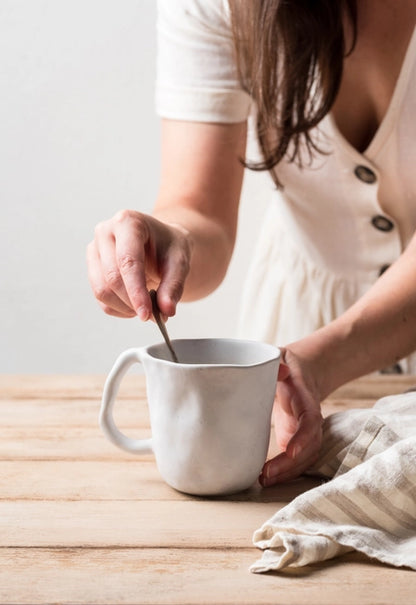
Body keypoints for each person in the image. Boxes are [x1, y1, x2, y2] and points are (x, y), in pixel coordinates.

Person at [87, 0, 416, 487]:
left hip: (303, 360)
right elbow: (200, 211)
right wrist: (171, 241)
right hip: (292, 368)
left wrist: (319, 360)